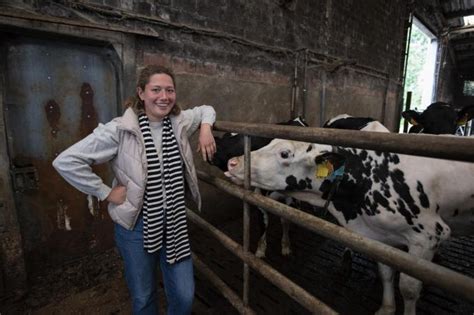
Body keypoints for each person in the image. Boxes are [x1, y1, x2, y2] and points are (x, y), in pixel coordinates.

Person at [53, 65, 216, 314]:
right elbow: (65, 161)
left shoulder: (180, 121)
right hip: (136, 226)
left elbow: (207, 109)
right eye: (156, 90)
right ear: (141, 93)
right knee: (143, 296)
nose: (164, 96)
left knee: (184, 296)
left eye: (170, 90)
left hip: (174, 223)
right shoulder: (120, 129)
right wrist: (104, 192)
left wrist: (205, 129)